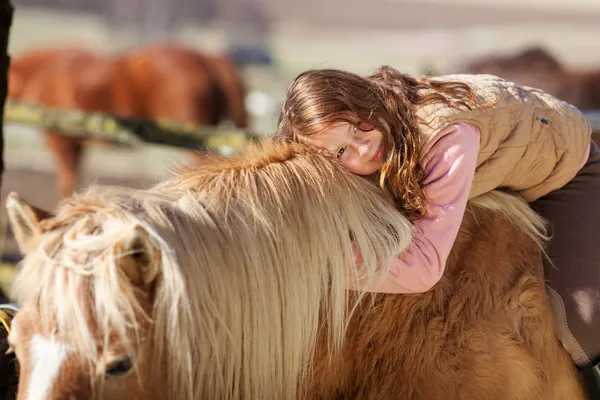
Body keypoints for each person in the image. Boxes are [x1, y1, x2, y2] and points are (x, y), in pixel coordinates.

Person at [275, 66, 600, 397]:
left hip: (567, 169)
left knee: (581, 318)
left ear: (366, 103)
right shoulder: (382, 139)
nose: (361, 149)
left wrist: (316, 268)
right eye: (341, 151)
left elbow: (424, 268)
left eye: (360, 127)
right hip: (505, 162)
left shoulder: (446, 137)